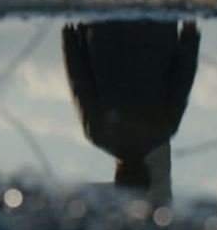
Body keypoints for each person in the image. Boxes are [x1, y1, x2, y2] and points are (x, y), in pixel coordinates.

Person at [61, 19, 201, 194]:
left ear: (147, 171)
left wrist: (189, 34)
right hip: (105, 34)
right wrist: (70, 38)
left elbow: (182, 80)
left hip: (157, 32)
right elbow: (81, 84)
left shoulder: (164, 130)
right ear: (117, 174)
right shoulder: (98, 135)